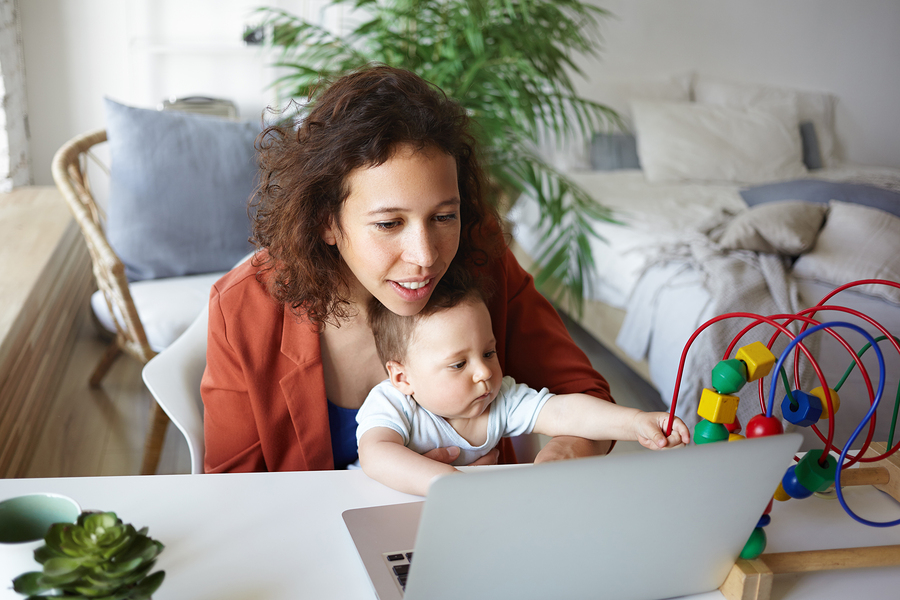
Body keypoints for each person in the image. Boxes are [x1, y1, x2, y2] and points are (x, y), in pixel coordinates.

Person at [201, 64, 615, 473]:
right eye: (388, 224)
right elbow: (234, 490)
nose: (426, 256)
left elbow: (585, 395)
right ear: (326, 220)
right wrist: (393, 484)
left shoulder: (482, 258)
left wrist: (560, 458)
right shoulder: (243, 310)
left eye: (443, 217)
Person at [358, 274, 690, 495]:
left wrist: (635, 423)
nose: (484, 373)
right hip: (374, 503)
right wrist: (453, 487)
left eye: (489, 352)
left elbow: (563, 413)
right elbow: (375, 454)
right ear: (403, 378)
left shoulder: (499, 399)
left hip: (460, 512)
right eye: (458, 364)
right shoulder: (392, 403)